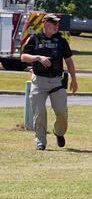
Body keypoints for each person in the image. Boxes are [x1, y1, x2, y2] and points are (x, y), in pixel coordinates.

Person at [20, 13, 78, 151]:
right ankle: (41, 141)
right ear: (45, 24)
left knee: (62, 112)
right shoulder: (34, 38)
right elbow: (23, 57)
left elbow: (69, 60)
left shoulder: (62, 41)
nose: (57, 26)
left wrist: (74, 80)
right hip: (39, 82)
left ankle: (58, 132)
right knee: (39, 112)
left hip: (57, 82)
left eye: (58, 23)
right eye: (54, 23)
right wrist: (38, 57)